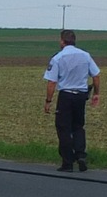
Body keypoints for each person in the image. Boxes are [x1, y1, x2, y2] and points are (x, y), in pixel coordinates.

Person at [43, 29, 101, 172]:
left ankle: (67, 162)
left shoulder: (58, 58)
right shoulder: (85, 56)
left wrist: (48, 101)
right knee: (78, 126)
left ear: (62, 41)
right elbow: (96, 75)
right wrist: (96, 93)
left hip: (66, 96)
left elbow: (52, 82)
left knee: (63, 128)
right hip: (81, 96)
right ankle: (81, 155)